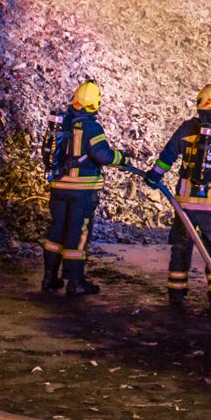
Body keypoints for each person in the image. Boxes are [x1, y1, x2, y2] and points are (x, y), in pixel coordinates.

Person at [144, 82, 211, 312]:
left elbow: (167, 156)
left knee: (181, 247)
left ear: (200, 104)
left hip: (185, 205)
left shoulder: (186, 130)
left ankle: (176, 295)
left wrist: (153, 177)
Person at [41, 80, 137, 296]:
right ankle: (75, 282)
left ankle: (49, 278)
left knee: (56, 231)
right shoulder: (92, 127)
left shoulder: (62, 123)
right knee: (78, 233)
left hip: (58, 187)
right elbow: (102, 155)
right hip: (81, 192)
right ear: (95, 104)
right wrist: (122, 157)